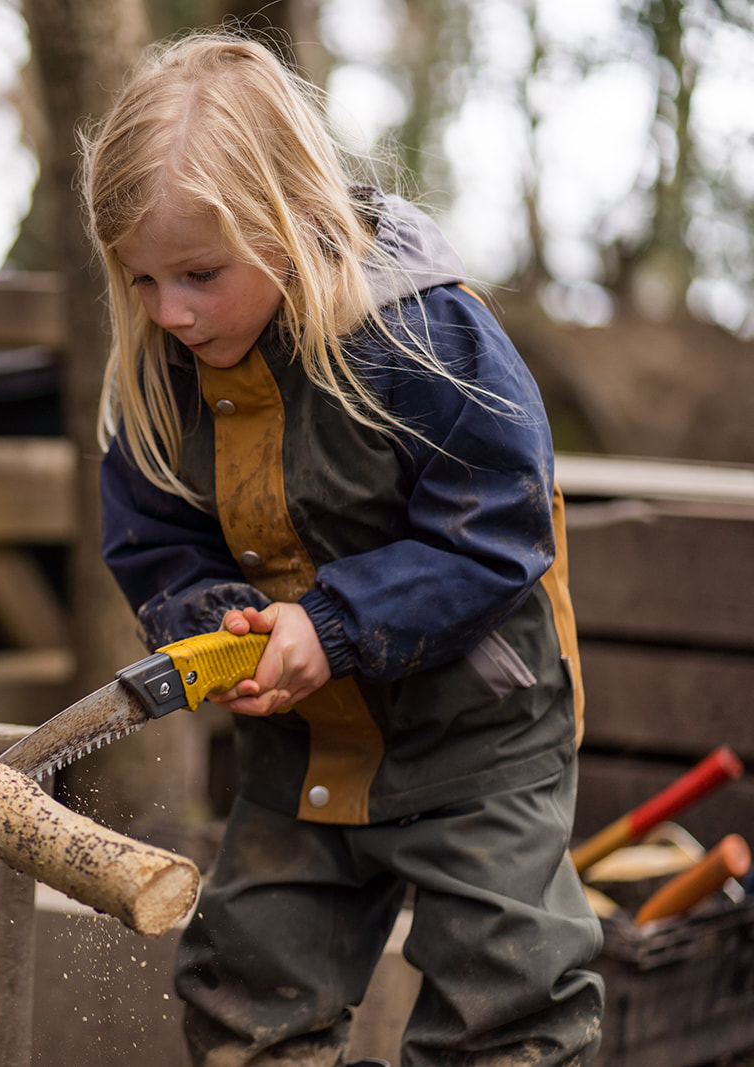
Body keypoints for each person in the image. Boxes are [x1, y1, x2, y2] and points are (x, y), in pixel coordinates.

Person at [83, 32, 604, 1067]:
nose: (169, 311)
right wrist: (213, 620)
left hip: (477, 743)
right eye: (140, 280)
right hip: (304, 753)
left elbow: (496, 527)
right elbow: (154, 538)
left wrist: (333, 625)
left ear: (292, 219)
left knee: (508, 1004)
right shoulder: (163, 373)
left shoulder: (423, 336)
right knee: (244, 992)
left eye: (198, 274)